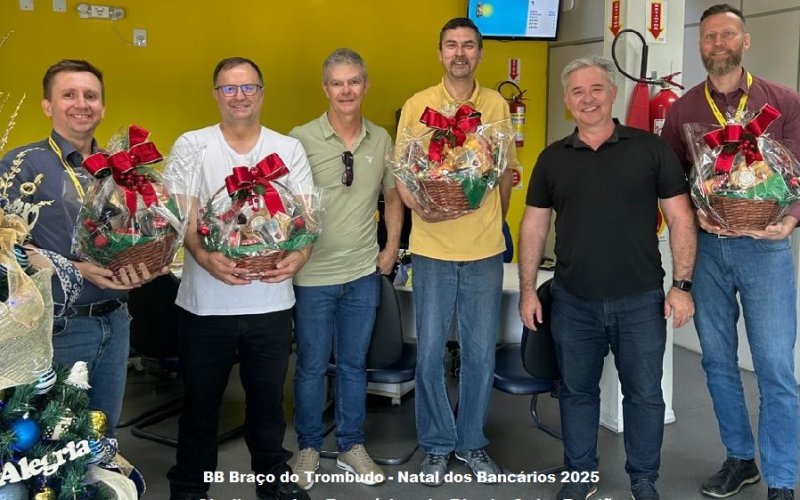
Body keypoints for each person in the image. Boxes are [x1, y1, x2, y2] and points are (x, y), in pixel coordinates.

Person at [519, 56, 696, 500]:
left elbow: (681, 218)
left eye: (596, 89)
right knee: (577, 393)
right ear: (567, 101)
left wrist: (682, 286)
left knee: (644, 394)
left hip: (640, 300)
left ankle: (644, 478)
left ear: (613, 94)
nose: (588, 99)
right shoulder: (552, 159)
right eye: (577, 92)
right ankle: (580, 475)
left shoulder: (650, 150)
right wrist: (527, 291)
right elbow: (534, 225)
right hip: (573, 301)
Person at [660, 5, 800, 500]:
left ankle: (782, 478)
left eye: (727, 34)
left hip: (766, 251)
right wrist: (691, 214)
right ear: (700, 45)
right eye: (708, 36)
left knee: (775, 368)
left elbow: (799, 171)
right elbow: (670, 182)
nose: (717, 43)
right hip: (708, 252)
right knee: (717, 362)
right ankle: (740, 459)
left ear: (745, 41)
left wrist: (790, 219)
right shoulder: (684, 111)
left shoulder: (782, 102)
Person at [165, 57, 313, 500]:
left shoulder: (287, 149)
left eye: (248, 87)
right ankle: (190, 486)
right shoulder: (193, 145)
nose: (239, 96)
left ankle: (273, 480)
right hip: (205, 305)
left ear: (262, 93)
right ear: (216, 95)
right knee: (199, 403)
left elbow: (305, 215)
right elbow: (182, 214)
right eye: (229, 88)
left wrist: (301, 253)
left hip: (271, 302)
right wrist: (203, 255)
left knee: (268, 404)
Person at [0, 59, 159, 436]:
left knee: (103, 435)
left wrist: (150, 260)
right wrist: (77, 269)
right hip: (58, 326)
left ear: (102, 107)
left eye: (91, 95)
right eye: (68, 95)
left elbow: (138, 232)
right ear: (47, 105)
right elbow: (7, 253)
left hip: (116, 321)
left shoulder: (121, 170)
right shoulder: (22, 166)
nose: (81, 103)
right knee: (53, 443)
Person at [394, 17, 516, 486]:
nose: (459, 53)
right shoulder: (417, 105)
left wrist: (491, 219)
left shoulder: (495, 105)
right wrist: (422, 206)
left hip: (484, 249)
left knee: (480, 353)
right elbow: (404, 175)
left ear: (479, 53)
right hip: (431, 248)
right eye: (451, 45)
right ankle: (437, 444)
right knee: (428, 353)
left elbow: (503, 174)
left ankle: (471, 442)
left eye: (468, 45)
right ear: (440, 52)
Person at [287, 47, 403, 490]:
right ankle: (309, 447)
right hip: (312, 275)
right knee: (312, 366)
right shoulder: (300, 138)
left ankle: (352, 445)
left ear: (365, 85)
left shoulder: (381, 139)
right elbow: (282, 203)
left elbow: (393, 197)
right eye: (337, 83)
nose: (346, 90)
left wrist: (390, 248)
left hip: (361, 274)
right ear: (325, 88)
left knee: (355, 365)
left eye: (353, 81)